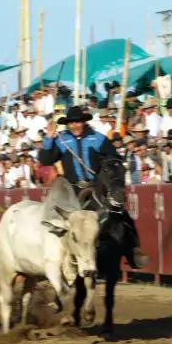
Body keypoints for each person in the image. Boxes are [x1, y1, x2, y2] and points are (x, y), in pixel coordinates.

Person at [38, 106, 147, 268]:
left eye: (78, 122)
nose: (75, 126)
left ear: (84, 122)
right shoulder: (61, 140)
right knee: (60, 220)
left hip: (96, 186)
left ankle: (134, 251)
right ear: (67, 124)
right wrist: (48, 137)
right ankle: (60, 257)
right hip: (72, 189)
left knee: (120, 213)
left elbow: (114, 159)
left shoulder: (97, 138)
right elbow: (46, 160)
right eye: (71, 123)